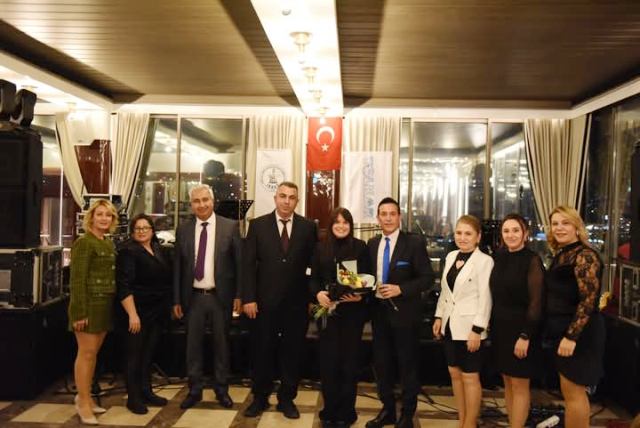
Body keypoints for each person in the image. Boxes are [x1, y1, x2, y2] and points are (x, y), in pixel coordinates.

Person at [242, 181, 318, 419]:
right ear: (275, 198)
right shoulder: (257, 225)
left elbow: (313, 266)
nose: (286, 201)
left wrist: (312, 297)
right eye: (282, 196)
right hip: (263, 304)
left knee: (292, 354)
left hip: (296, 305)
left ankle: (287, 399)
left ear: (297, 201)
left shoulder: (308, 228)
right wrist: (248, 298)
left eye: (291, 197)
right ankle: (260, 398)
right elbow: (247, 265)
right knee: (261, 351)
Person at [366, 197, 434, 428]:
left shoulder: (413, 243)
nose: (387, 218)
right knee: (382, 365)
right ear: (378, 218)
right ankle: (387, 410)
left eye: (392, 214)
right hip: (379, 314)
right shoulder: (372, 244)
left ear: (399, 217)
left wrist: (400, 289)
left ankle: (407, 414)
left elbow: (427, 278)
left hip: (405, 315)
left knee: (407, 365)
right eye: (383, 214)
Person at [173, 184, 242, 409]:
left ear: (213, 201)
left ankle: (222, 389)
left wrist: (239, 295)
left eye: (205, 200)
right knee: (192, 347)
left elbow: (240, 265)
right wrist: (176, 299)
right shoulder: (183, 230)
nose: (201, 205)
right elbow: (177, 268)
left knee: (222, 346)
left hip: (220, 297)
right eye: (196, 201)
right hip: (193, 298)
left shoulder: (230, 227)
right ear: (191, 204)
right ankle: (194, 390)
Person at [544, 205, 605, 428]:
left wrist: (571, 337)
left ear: (576, 226)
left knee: (575, 393)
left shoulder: (585, 255)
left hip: (579, 335)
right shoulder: (563, 254)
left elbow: (588, 301)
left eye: (565, 223)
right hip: (564, 332)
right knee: (569, 392)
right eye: (555, 223)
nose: (559, 228)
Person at [310, 207, 370, 428]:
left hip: (352, 315)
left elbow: (368, 278)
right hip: (327, 314)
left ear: (351, 225)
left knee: (349, 365)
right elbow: (312, 279)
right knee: (329, 364)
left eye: (346, 222)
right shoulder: (320, 248)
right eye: (337, 222)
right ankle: (329, 411)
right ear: (331, 225)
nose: (341, 226)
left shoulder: (360, 247)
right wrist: (318, 294)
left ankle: (347, 412)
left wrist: (360, 294)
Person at [433, 215, 493, 428]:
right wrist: (439, 316)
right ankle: (462, 420)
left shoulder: (485, 261)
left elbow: (486, 298)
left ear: (478, 237)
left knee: (470, 377)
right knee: (454, 374)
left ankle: (470, 423)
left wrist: (477, 329)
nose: (462, 237)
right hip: (450, 325)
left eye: (468, 233)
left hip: (470, 329)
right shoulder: (451, 256)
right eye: (459, 233)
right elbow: (445, 292)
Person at [489, 214, 544, 428]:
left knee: (520, 385)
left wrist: (525, 335)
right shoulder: (499, 257)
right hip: (500, 329)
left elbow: (536, 303)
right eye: (506, 231)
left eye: (515, 230)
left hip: (522, 330)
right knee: (508, 383)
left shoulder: (532, 260)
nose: (510, 235)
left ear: (525, 234)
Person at [68, 199, 118, 425]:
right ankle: (83, 402)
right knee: (86, 354)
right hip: (88, 306)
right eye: (100, 214)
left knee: (93, 355)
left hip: (104, 305)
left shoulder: (107, 242)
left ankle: (85, 396)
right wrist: (79, 312)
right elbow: (77, 281)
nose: (104, 219)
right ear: (91, 217)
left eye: (108, 215)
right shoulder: (84, 243)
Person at [117, 214, 172, 414]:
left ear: (152, 230)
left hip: (156, 312)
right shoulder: (128, 252)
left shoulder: (157, 248)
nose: (141, 231)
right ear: (132, 232)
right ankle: (133, 398)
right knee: (134, 356)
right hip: (137, 312)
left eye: (145, 227)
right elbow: (124, 285)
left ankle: (146, 391)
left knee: (148, 355)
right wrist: (132, 315)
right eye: (137, 228)